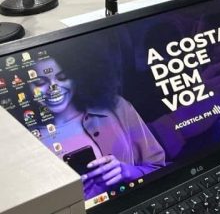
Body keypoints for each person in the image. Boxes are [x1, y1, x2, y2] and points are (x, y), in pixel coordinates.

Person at [30, 48, 165, 200]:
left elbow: (158, 167)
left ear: (77, 76)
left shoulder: (117, 107)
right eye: (40, 82)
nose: (53, 88)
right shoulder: (26, 141)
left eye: (63, 77)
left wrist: (127, 172)